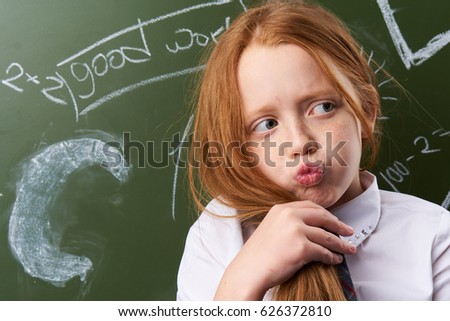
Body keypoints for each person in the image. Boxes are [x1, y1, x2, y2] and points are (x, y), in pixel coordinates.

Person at [176, 0, 450, 300]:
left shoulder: (434, 239)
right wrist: (241, 283)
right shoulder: (219, 234)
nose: (298, 142)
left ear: (367, 112)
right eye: (266, 124)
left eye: (322, 107)